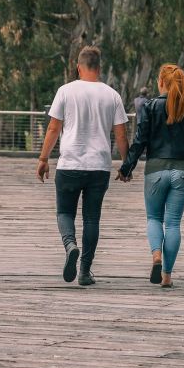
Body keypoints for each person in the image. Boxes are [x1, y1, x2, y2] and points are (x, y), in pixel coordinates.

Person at [37, 46, 129, 286]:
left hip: (70, 164)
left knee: (64, 212)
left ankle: (70, 245)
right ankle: (85, 272)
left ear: (78, 67)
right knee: (91, 219)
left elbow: (53, 128)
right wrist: (126, 165)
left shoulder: (65, 91)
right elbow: (121, 135)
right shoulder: (112, 95)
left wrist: (43, 159)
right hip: (99, 167)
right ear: (99, 68)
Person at [118, 64, 184, 288]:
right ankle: (167, 276)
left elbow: (140, 141)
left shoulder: (150, 107)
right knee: (173, 223)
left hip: (155, 170)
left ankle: (156, 255)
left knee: (154, 218)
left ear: (161, 83)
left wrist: (126, 168)